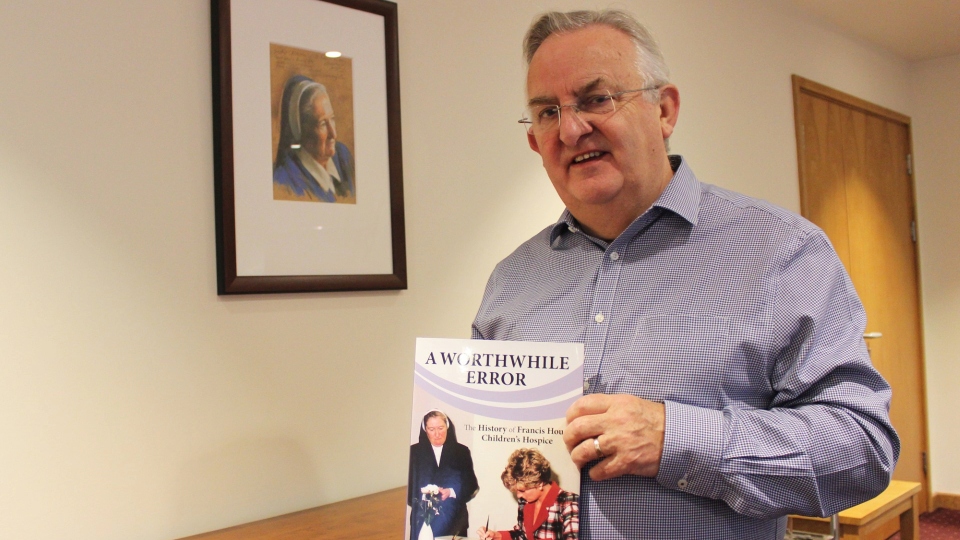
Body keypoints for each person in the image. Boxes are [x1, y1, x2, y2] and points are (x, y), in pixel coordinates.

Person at [471, 9, 900, 539]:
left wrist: (673, 438)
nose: (572, 128)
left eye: (596, 99)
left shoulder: (783, 252)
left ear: (665, 110)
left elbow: (862, 448)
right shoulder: (510, 281)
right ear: (535, 142)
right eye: (547, 112)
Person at [273, 75, 356, 203]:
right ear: (301, 130)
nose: (333, 134)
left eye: (332, 119)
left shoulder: (343, 156)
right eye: (322, 124)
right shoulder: (284, 179)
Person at [478, 448, 578, 540]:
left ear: (539, 483)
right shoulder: (524, 501)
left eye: (522, 490)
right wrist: (497, 536)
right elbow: (522, 535)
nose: (518, 496)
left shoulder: (568, 502)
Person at [408, 410, 479, 538]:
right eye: (431, 429)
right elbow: (407, 489)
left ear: (447, 427)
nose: (437, 434)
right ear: (425, 430)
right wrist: (424, 497)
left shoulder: (461, 452)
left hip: (454, 520)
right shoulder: (413, 452)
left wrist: (451, 491)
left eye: (441, 428)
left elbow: (471, 485)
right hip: (422, 520)